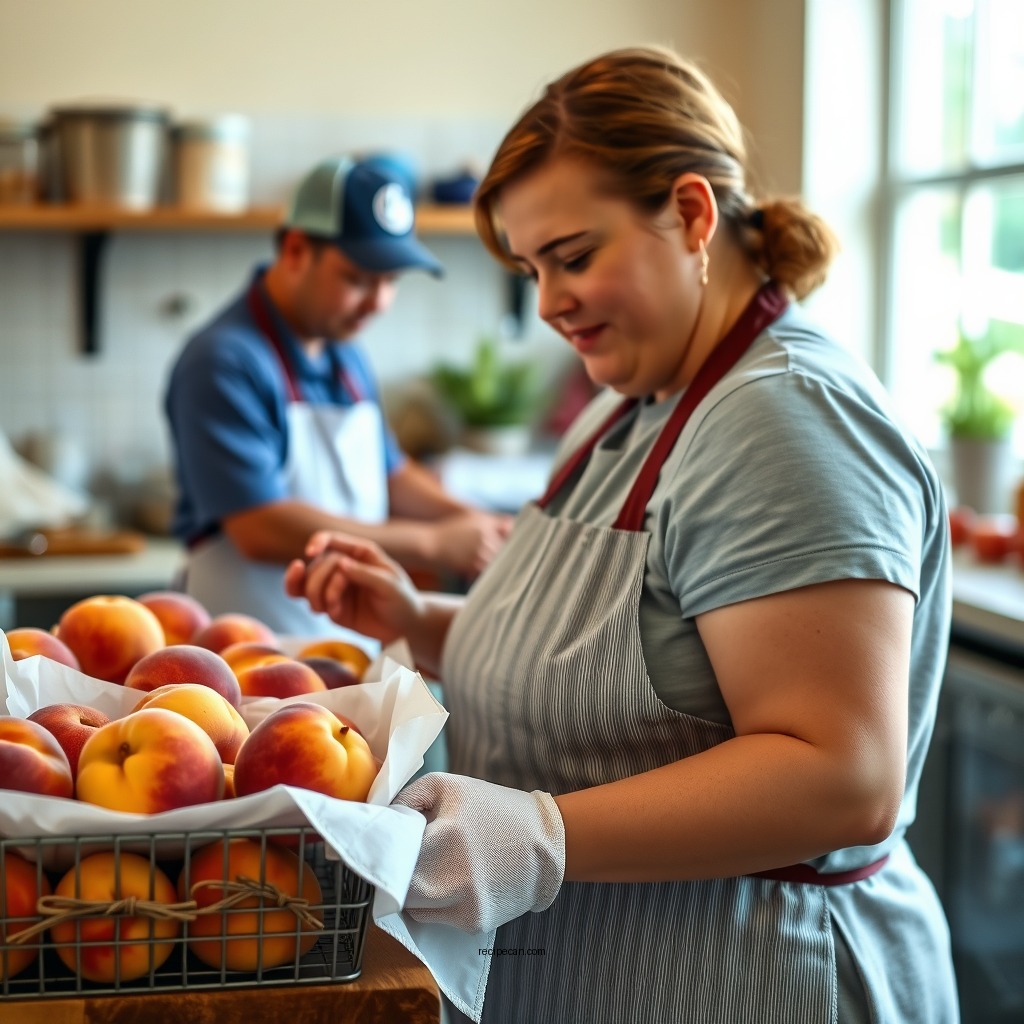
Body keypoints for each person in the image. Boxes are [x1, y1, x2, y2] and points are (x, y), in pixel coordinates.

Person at [284, 46, 959, 1024]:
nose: (549, 301)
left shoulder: (782, 421)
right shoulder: (637, 398)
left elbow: (841, 773)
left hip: (756, 983)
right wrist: (423, 618)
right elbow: (634, 653)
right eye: (531, 269)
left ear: (689, 215)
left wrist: (539, 831)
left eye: (572, 255)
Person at [165, 153, 512, 636]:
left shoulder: (344, 352)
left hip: (344, 644)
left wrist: (477, 521)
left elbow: (390, 473)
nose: (378, 303)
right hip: (246, 655)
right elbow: (259, 525)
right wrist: (434, 543)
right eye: (358, 279)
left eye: (390, 281)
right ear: (295, 250)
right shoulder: (225, 359)